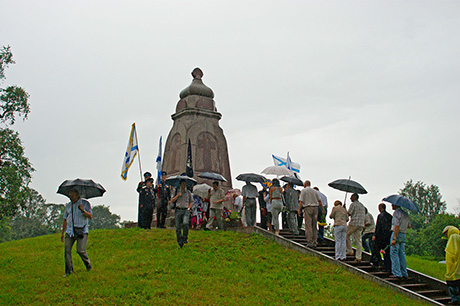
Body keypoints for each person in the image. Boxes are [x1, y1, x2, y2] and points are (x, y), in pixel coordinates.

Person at [61, 189, 93, 277]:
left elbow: (90, 216)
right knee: (67, 251)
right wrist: (62, 232)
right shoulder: (68, 206)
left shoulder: (85, 203)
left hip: (81, 231)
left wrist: (83, 210)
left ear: (77, 195)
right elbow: (65, 219)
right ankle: (69, 271)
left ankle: (87, 264)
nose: (71, 198)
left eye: (73, 196)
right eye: (70, 197)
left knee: (80, 250)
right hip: (70, 231)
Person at [298, 180, 324, 248]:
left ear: (305, 184)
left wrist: (299, 209)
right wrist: (322, 209)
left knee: (308, 225)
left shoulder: (303, 191)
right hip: (315, 208)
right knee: (314, 225)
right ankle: (315, 241)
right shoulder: (315, 191)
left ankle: (310, 241)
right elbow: (320, 201)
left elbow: (301, 201)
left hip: (308, 207)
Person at [170, 180, 193, 248]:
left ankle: (185, 237)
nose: (184, 186)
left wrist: (189, 208)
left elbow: (191, 201)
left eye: (185, 184)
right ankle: (180, 241)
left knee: (185, 223)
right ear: (180, 185)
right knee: (178, 227)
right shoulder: (176, 191)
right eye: (183, 184)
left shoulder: (188, 192)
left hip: (185, 210)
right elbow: (172, 200)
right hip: (178, 209)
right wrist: (177, 195)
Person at [390, 204, 410, 279]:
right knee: (402, 254)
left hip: (396, 234)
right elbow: (409, 225)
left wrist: (394, 238)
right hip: (403, 234)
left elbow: (396, 226)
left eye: (392, 204)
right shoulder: (405, 214)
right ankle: (404, 272)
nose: (391, 206)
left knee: (394, 253)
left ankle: (397, 273)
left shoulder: (396, 213)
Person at [346, 193, 366, 262]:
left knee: (346, 235)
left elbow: (349, 213)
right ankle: (358, 256)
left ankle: (350, 250)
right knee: (358, 241)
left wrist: (344, 209)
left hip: (354, 223)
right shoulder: (362, 206)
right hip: (361, 224)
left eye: (351, 197)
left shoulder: (353, 204)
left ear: (354, 198)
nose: (350, 198)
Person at [372, 203, 392, 270]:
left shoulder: (380, 216)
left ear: (380, 208)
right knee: (386, 252)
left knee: (375, 248)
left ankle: (378, 262)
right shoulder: (390, 216)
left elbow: (378, 227)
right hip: (388, 236)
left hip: (381, 236)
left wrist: (375, 235)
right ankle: (387, 266)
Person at [443, 226, 460, 305]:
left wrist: (450, 270)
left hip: (455, 269)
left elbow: (451, 255)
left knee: (453, 285)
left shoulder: (452, 239)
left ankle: (455, 300)